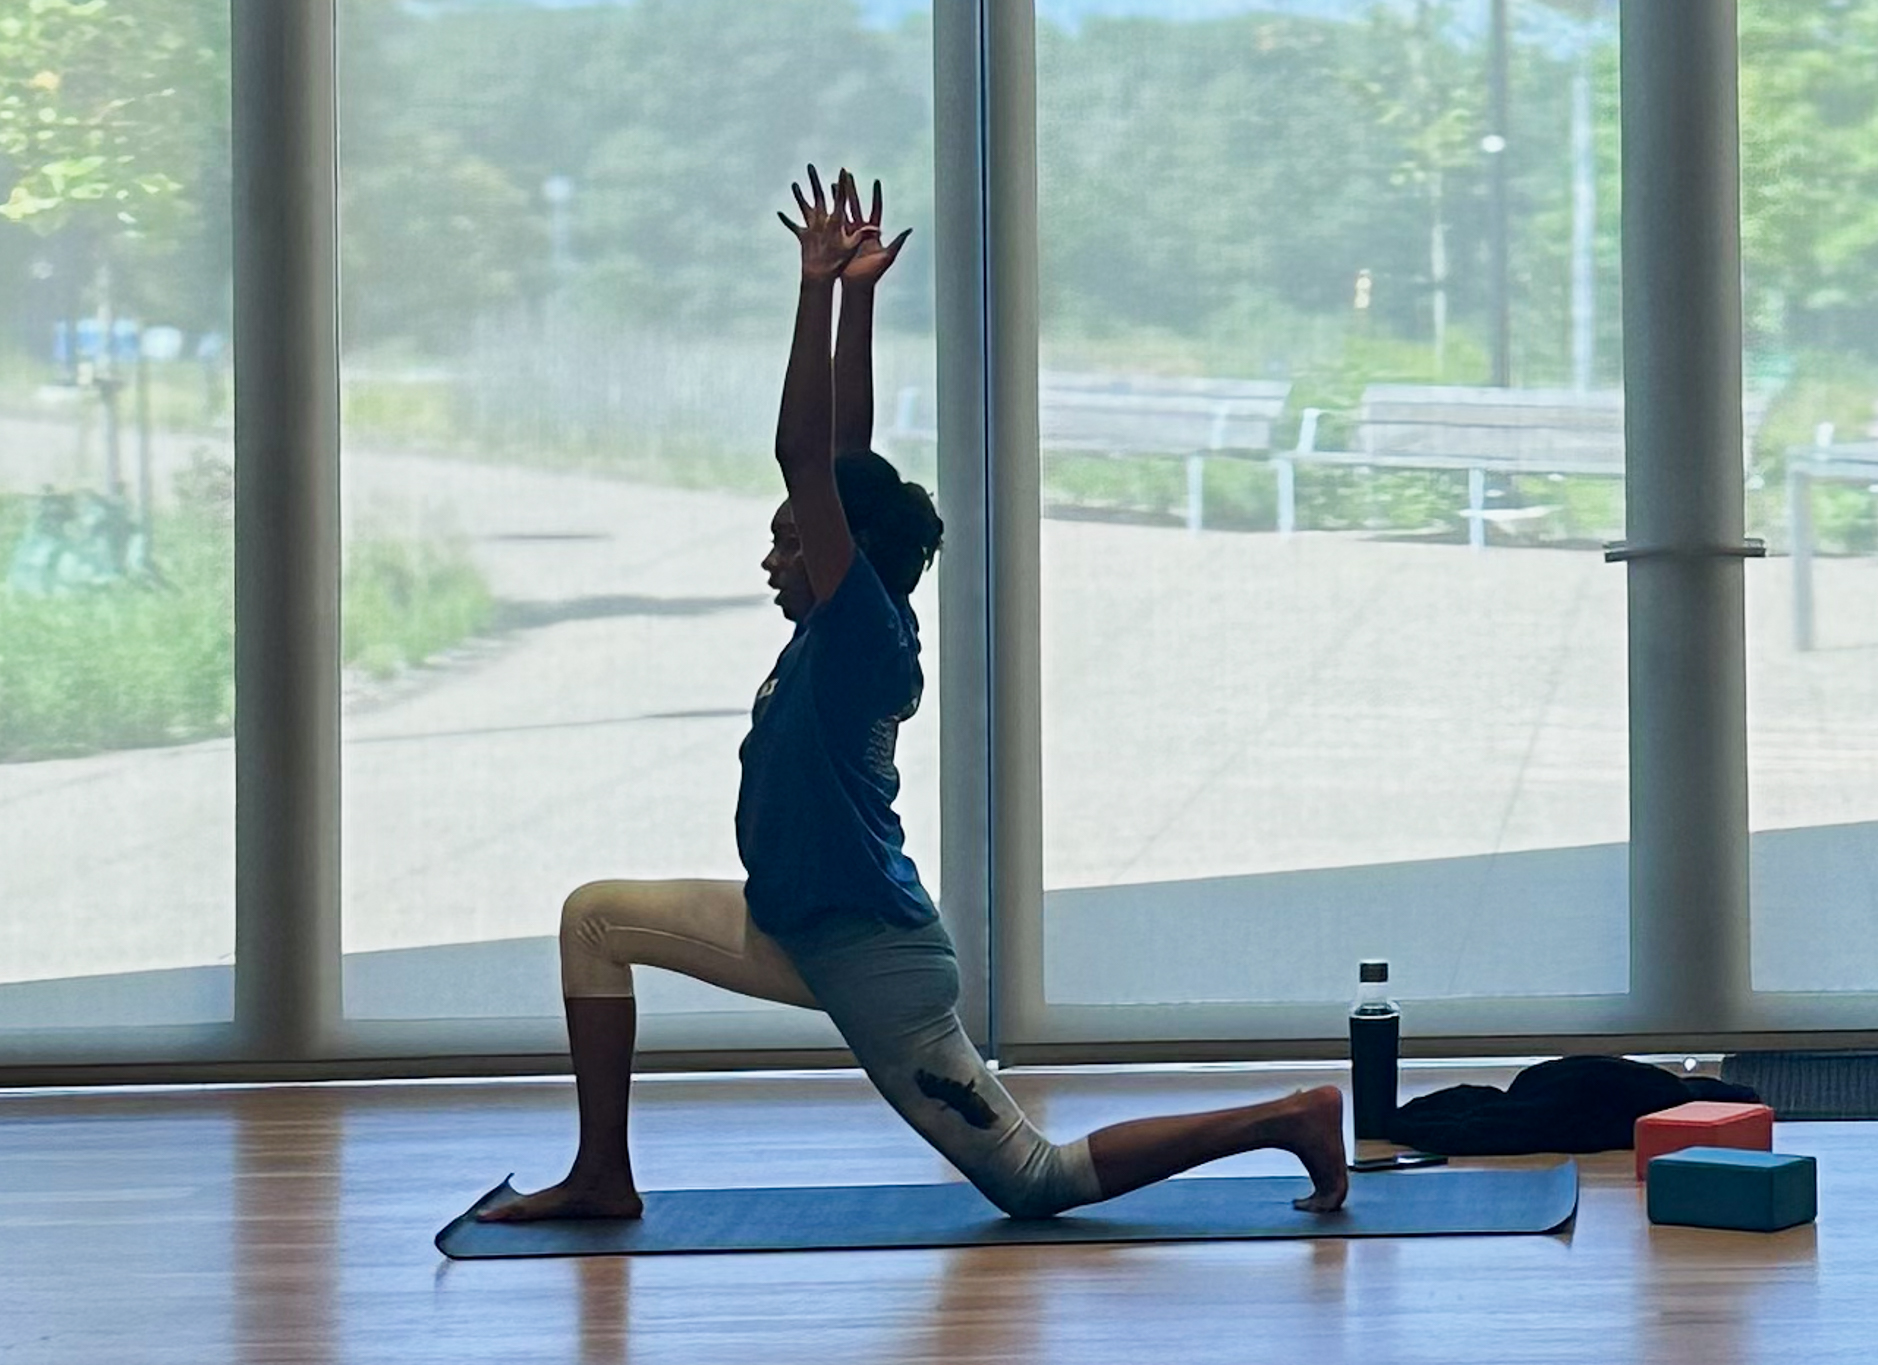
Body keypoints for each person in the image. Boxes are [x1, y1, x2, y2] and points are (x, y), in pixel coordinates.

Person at [481, 166, 1347, 1224]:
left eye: (786, 541)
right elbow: (842, 457)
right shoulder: (845, 617)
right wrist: (859, 293)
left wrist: (809, 289)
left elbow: (806, 455)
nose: (768, 558)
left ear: (840, 558)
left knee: (1035, 1180)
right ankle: (602, 1177)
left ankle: (1290, 1117)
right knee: (595, 921)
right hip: (788, 921)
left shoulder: (857, 635)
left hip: (872, 959)